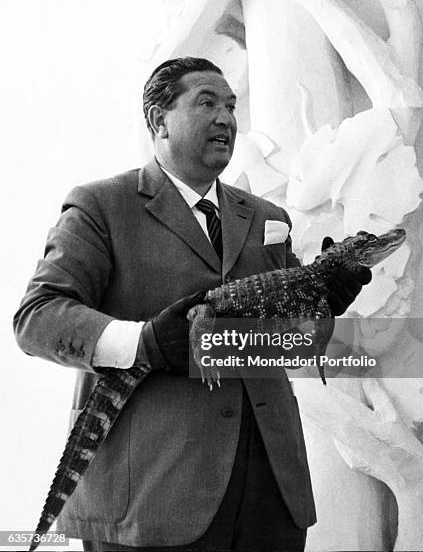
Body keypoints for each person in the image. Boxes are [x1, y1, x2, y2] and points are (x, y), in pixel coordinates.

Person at [13, 57, 371, 552]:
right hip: (153, 498)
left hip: (271, 490)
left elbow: (289, 346)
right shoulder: (101, 205)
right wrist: (144, 342)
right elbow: (38, 318)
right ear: (159, 121)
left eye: (230, 105)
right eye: (206, 102)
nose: (225, 117)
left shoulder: (269, 216)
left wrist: (324, 306)